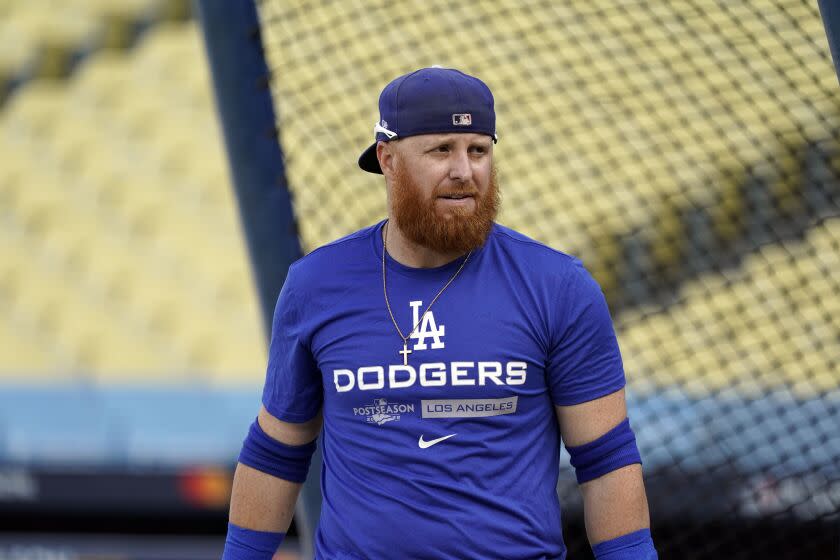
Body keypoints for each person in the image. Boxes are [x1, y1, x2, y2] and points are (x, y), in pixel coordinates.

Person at [223, 67, 657, 560]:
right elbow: (276, 451)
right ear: (388, 160)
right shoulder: (315, 286)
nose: (464, 170)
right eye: (441, 150)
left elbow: (606, 460)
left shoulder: (559, 287)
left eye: (478, 150)